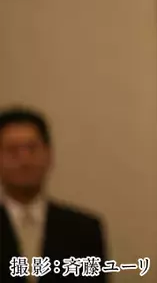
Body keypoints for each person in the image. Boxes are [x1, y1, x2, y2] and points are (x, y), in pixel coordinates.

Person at [0, 107, 107, 282]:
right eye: (12, 150)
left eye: (32, 148)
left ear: (48, 154)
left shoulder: (84, 230)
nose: (24, 160)